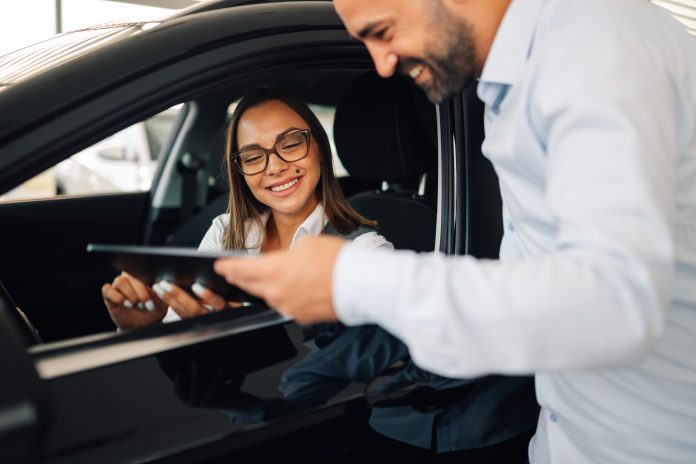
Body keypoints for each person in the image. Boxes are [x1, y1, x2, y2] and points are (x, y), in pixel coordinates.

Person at [212, 0, 696, 463]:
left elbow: (614, 302)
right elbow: (538, 295)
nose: (382, 65)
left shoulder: (594, 48)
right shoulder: (510, 86)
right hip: (566, 434)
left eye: (382, 31)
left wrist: (350, 279)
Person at [101, 86, 390, 330]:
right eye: (253, 158)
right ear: (240, 172)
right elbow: (178, 335)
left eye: (290, 144)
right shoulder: (224, 233)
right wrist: (144, 330)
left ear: (319, 148)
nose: (275, 167)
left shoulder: (365, 254)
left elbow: (370, 370)